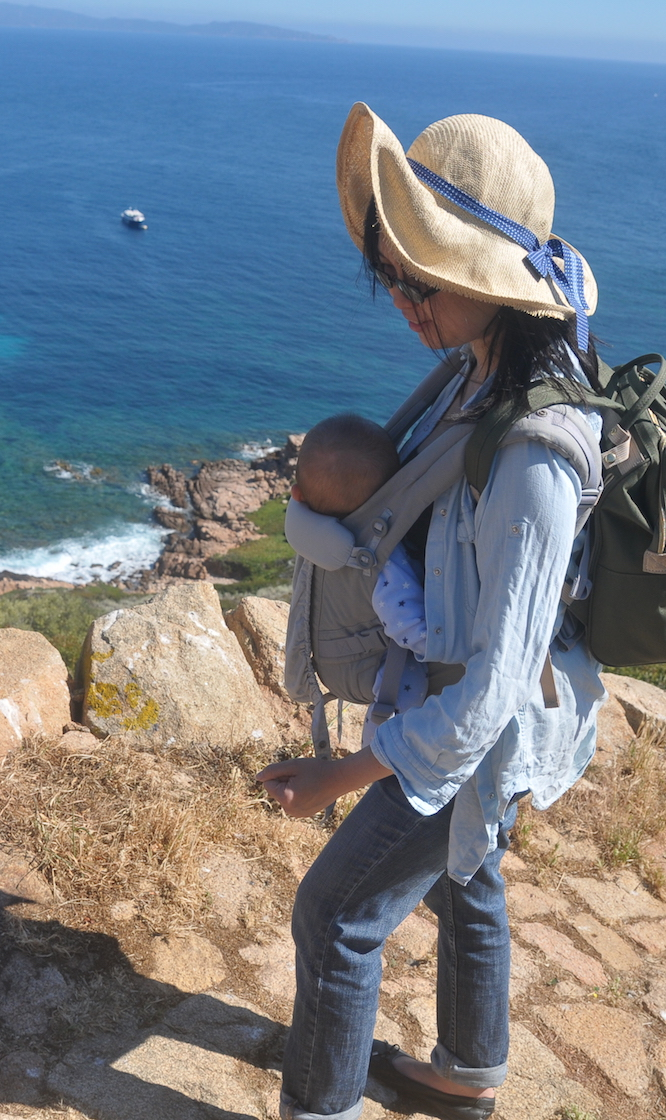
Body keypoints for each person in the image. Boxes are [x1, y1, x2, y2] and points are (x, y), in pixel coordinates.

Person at [257, 105, 608, 1120]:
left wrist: (344, 773)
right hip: (458, 709)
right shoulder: (485, 366)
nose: (406, 299)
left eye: (426, 276)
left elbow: (492, 693)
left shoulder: (537, 453)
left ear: (492, 282)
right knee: (467, 874)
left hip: (472, 726)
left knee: (337, 914)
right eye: (396, 273)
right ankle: (466, 1073)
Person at [291, 412, 430, 708]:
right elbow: (406, 624)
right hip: (373, 676)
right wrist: (445, 645)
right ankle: (382, 744)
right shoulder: (383, 560)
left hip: (328, 664)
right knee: (409, 693)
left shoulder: (313, 538)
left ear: (296, 495)